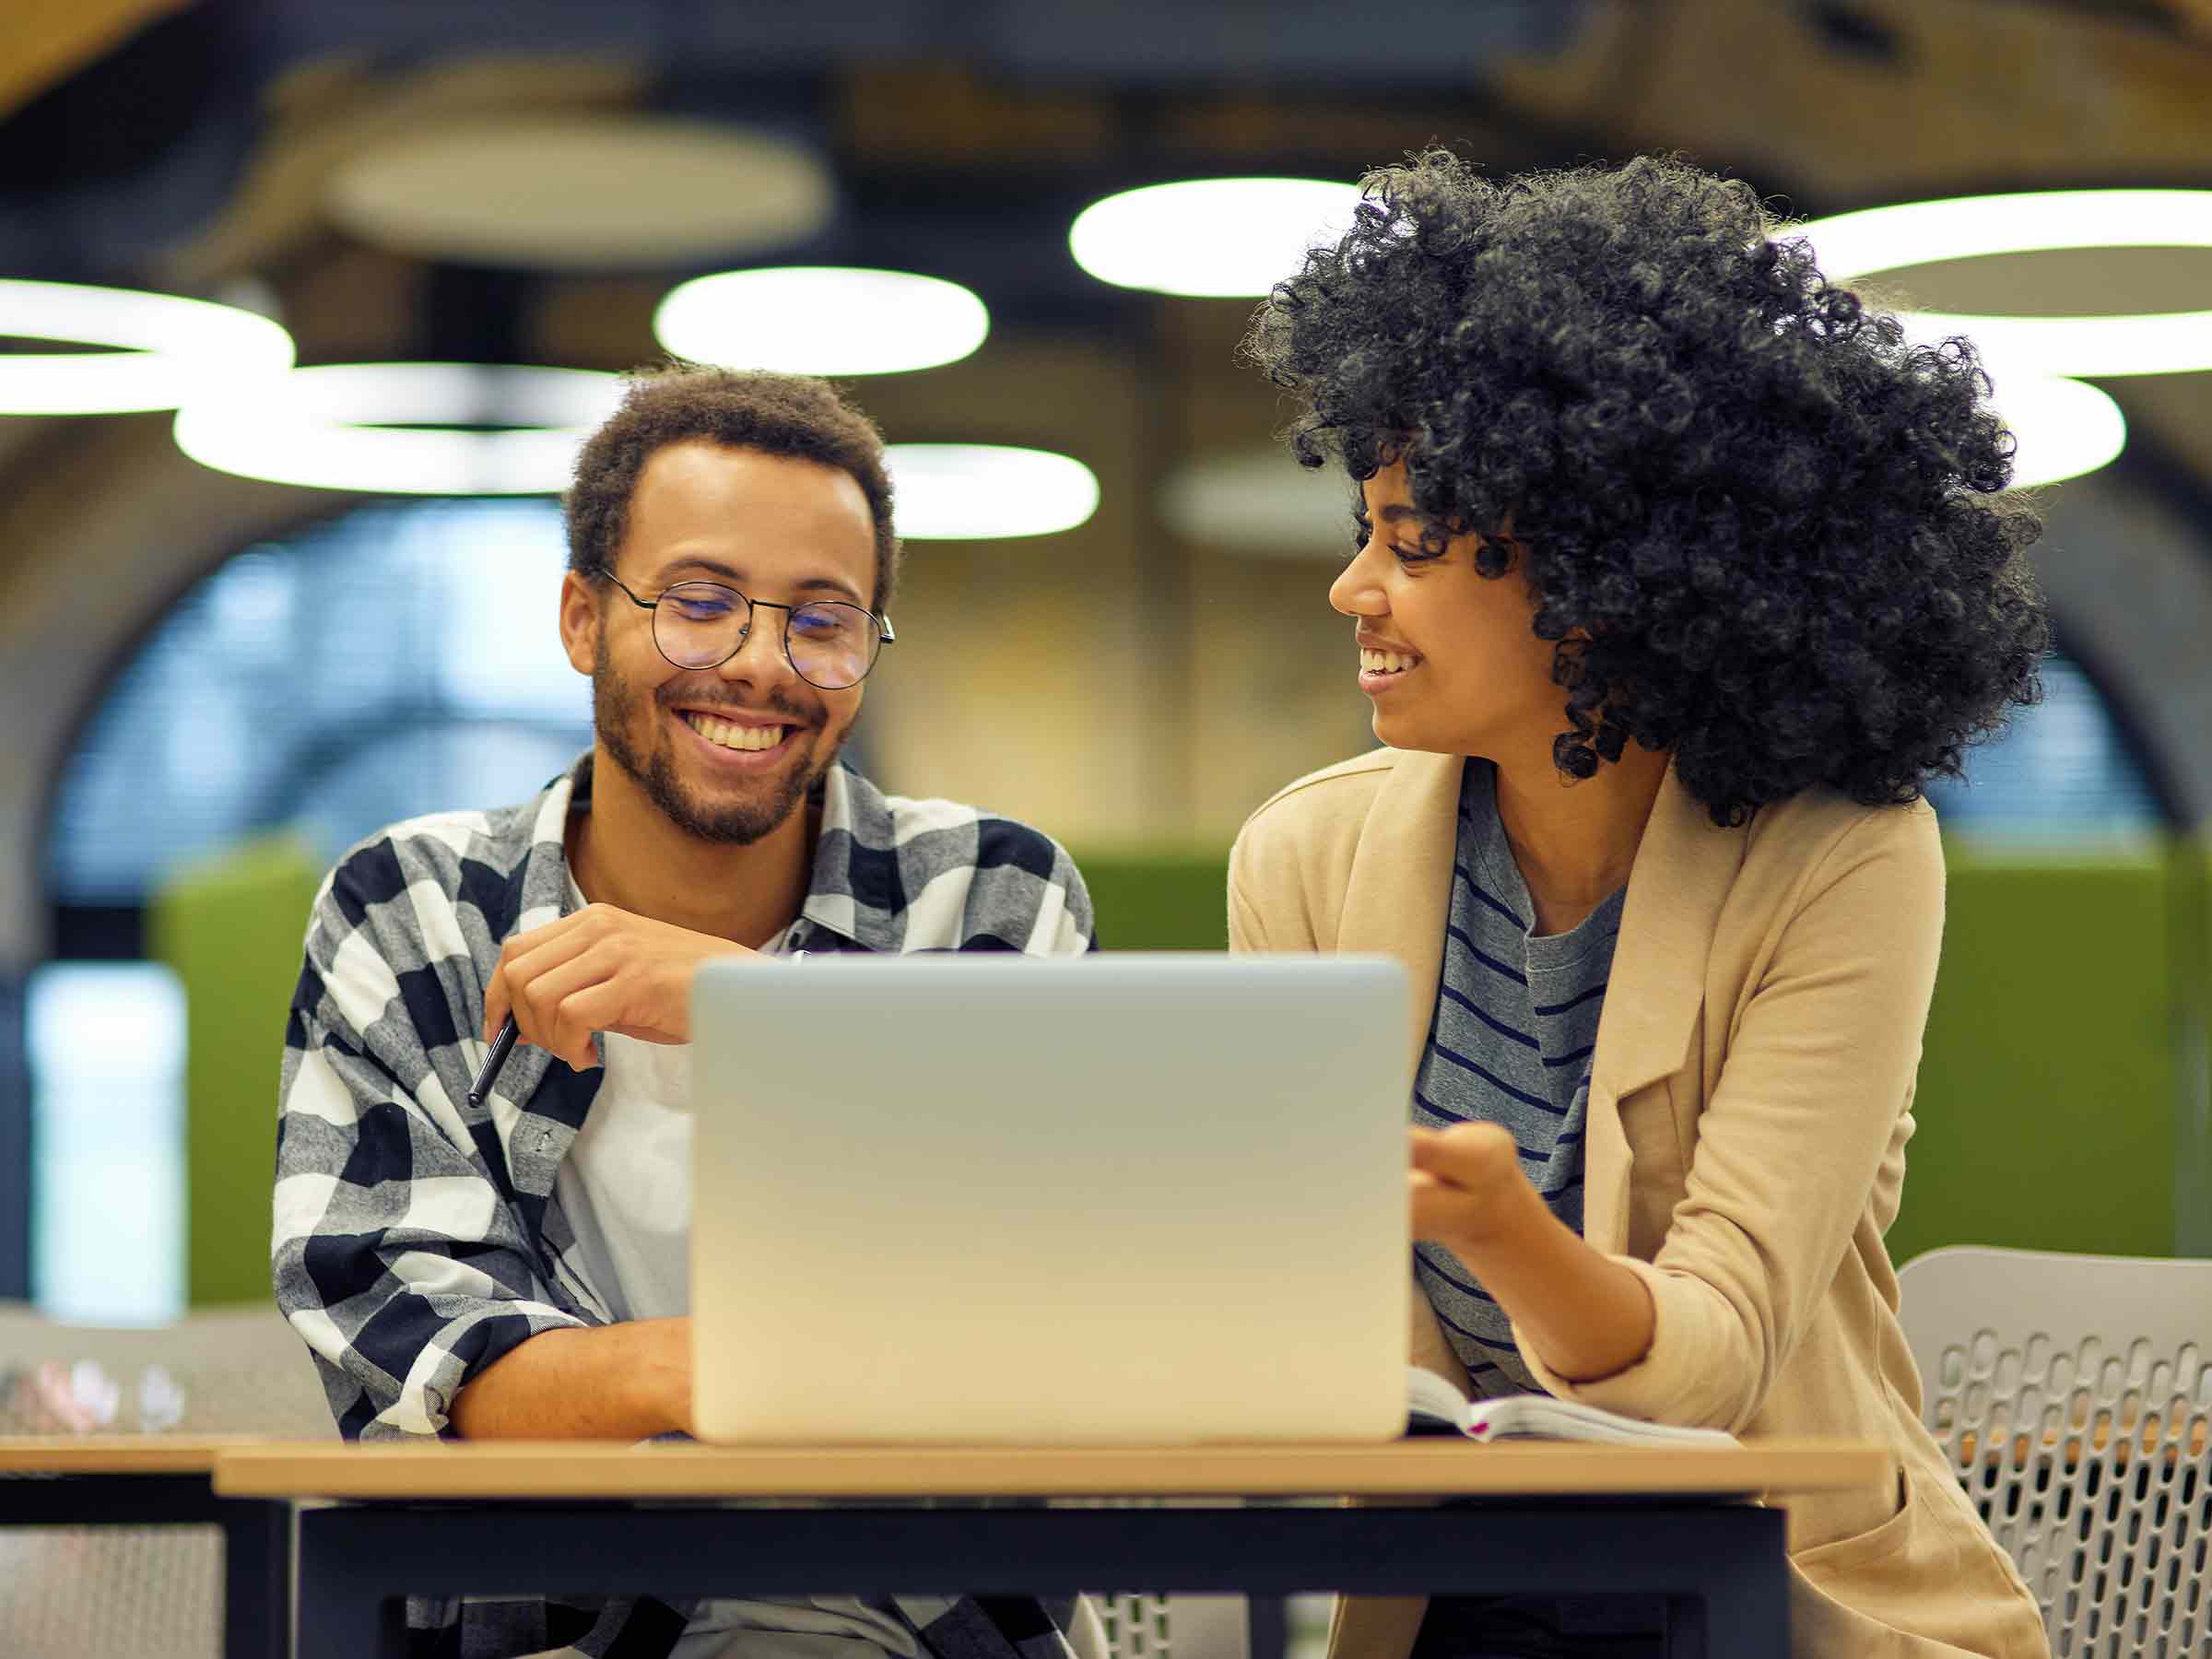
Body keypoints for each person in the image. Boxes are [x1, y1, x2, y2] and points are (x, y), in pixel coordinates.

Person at [1233, 153, 2053, 1658]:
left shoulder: (1842, 859)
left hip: (1777, 1603)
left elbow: (1712, 1366)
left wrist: (1501, 1232)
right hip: (1451, 1611)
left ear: (1601, 579)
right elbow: (1353, 1375)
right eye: (1365, 531)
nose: (1354, 588)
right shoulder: (1304, 863)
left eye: (1410, 541)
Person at [273, 367, 1096, 1659]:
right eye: (699, 605)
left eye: (823, 622)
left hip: (941, 1631)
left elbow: (1055, 1290)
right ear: (582, 617)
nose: (760, 667)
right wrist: (738, 1370)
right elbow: (421, 1356)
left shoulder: (989, 893)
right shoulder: (416, 911)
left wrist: (745, 1007)